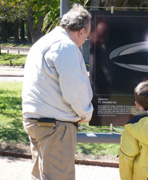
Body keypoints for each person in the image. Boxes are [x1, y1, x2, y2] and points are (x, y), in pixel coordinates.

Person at [22, 4, 93, 180]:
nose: (84, 41)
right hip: (55, 126)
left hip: (36, 121)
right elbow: (73, 88)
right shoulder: (65, 46)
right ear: (81, 32)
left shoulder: (43, 42)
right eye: (86, 37)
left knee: (40, 176)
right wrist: (86, 112)